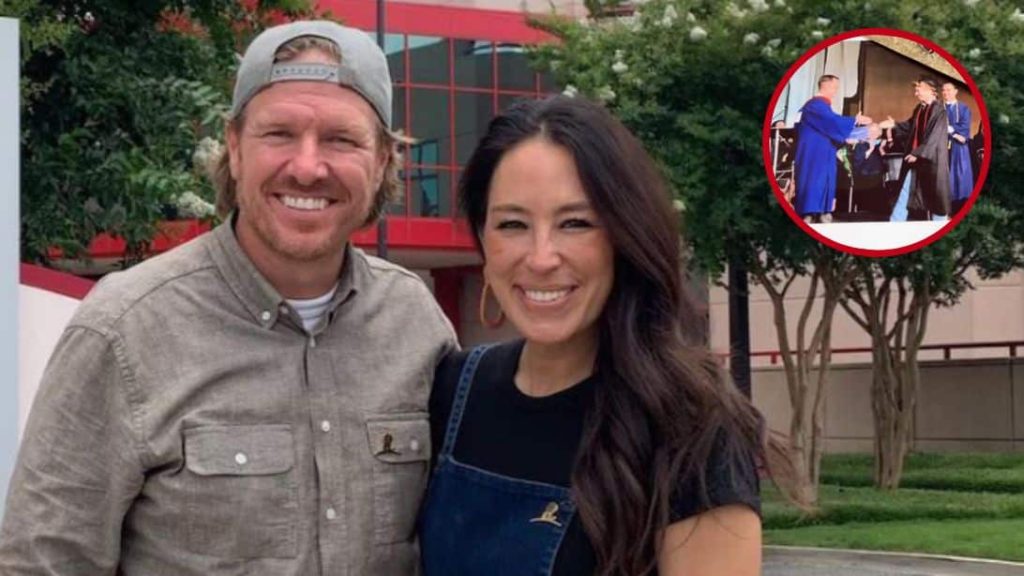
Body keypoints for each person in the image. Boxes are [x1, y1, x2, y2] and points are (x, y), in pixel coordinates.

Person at [0, 21, 456, 575]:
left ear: (382, 160)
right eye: (279, 133)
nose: (307, 167)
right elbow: (43, 562)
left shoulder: (418, 325)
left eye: (341, 139)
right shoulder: (124, 330)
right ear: (235, 148)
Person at [419, 96, 794, 576]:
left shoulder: (693, 430)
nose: (541, 257)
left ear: (623, 236)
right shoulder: (452, 391)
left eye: (575, 223)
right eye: (512, 224)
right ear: (483, 241)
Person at [793, 74, 872, 223]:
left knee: (824, 178)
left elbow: (831, 125)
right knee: (814, 179)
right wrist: (855, 120)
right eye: (835, 88)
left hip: (823, 150)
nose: (836, 91)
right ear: (826, 86)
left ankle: (823, 210)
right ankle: (809, 212)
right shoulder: (815, 105)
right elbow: (832, 122)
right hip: (814, 152)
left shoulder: (822, 106)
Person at [884, 76, 951, 222]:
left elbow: (935, 137)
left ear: (931, 91)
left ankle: (941, 226)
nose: (916, 93)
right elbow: (910, 127)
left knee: (937, 197)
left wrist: (918, 153)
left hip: (933, 160)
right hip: (917, 158)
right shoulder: (919, 109)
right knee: (906, 188)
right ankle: (895, 222)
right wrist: (894, 124)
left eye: (918, 89)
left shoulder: (939, 111)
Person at [942, 81, 974, 215]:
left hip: (958, 148)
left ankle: (959, 209)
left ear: (956, 91)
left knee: (959, 176)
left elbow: (964, 129)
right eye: (943, 90)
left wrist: (951, 130)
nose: (945, 93)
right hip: (941, 146)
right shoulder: (939, 108)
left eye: (948, 90)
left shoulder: (963, 108)